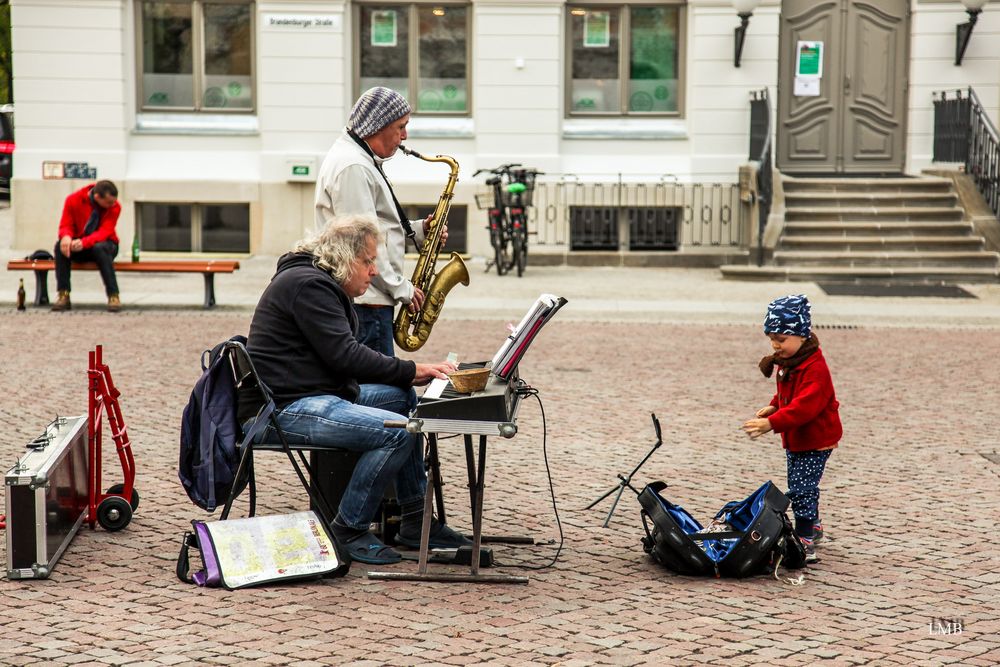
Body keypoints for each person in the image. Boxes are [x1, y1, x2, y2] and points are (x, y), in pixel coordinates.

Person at [243, 214, 469, 565]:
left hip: (308, 393)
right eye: (368, 261)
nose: (373, 271)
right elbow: (347, 356)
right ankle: (348, 528)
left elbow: (343, 357)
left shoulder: (315, 281)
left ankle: (413, 518)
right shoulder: (310, 286)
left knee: (401, 398)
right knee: (398, 432)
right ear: (345, 259)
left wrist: (408, 377)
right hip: (282, 409)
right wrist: (413, 369)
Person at [314, 86, 441, 357]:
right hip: (367, 301)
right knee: (383, 392)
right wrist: (401, 288)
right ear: (378, 125)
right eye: (400, 127)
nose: (404, 136)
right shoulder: (354, 167)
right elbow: (362, 243)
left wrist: (419, 231)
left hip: (371, 298)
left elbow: (377, 223)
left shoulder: (361, 161)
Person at [742, 294, 841, 562]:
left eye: (781, 339)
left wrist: (771, 423)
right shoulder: (790, 361)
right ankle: (815, 525)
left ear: (801, 335)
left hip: (814, 438)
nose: (775, 344)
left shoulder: (814, 368)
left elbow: (804, 406)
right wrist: (774, 406)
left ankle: (805, 538)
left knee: (800, 488)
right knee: (802, 483)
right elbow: (788, 395)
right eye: (771, 338)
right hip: (797, 437)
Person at [52, 180, 122, 312]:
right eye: (108, 202)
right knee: (60, 247)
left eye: (113, 201)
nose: (112, 205)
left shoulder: (115, 207)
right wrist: (66, 237)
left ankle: (113, 295)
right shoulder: (73, 200)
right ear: (97, 197)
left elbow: (104, 232)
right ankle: (63, 294)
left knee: (99, 247)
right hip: (81, 243)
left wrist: (84, 242)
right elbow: (66, 224)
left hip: (107, 245)